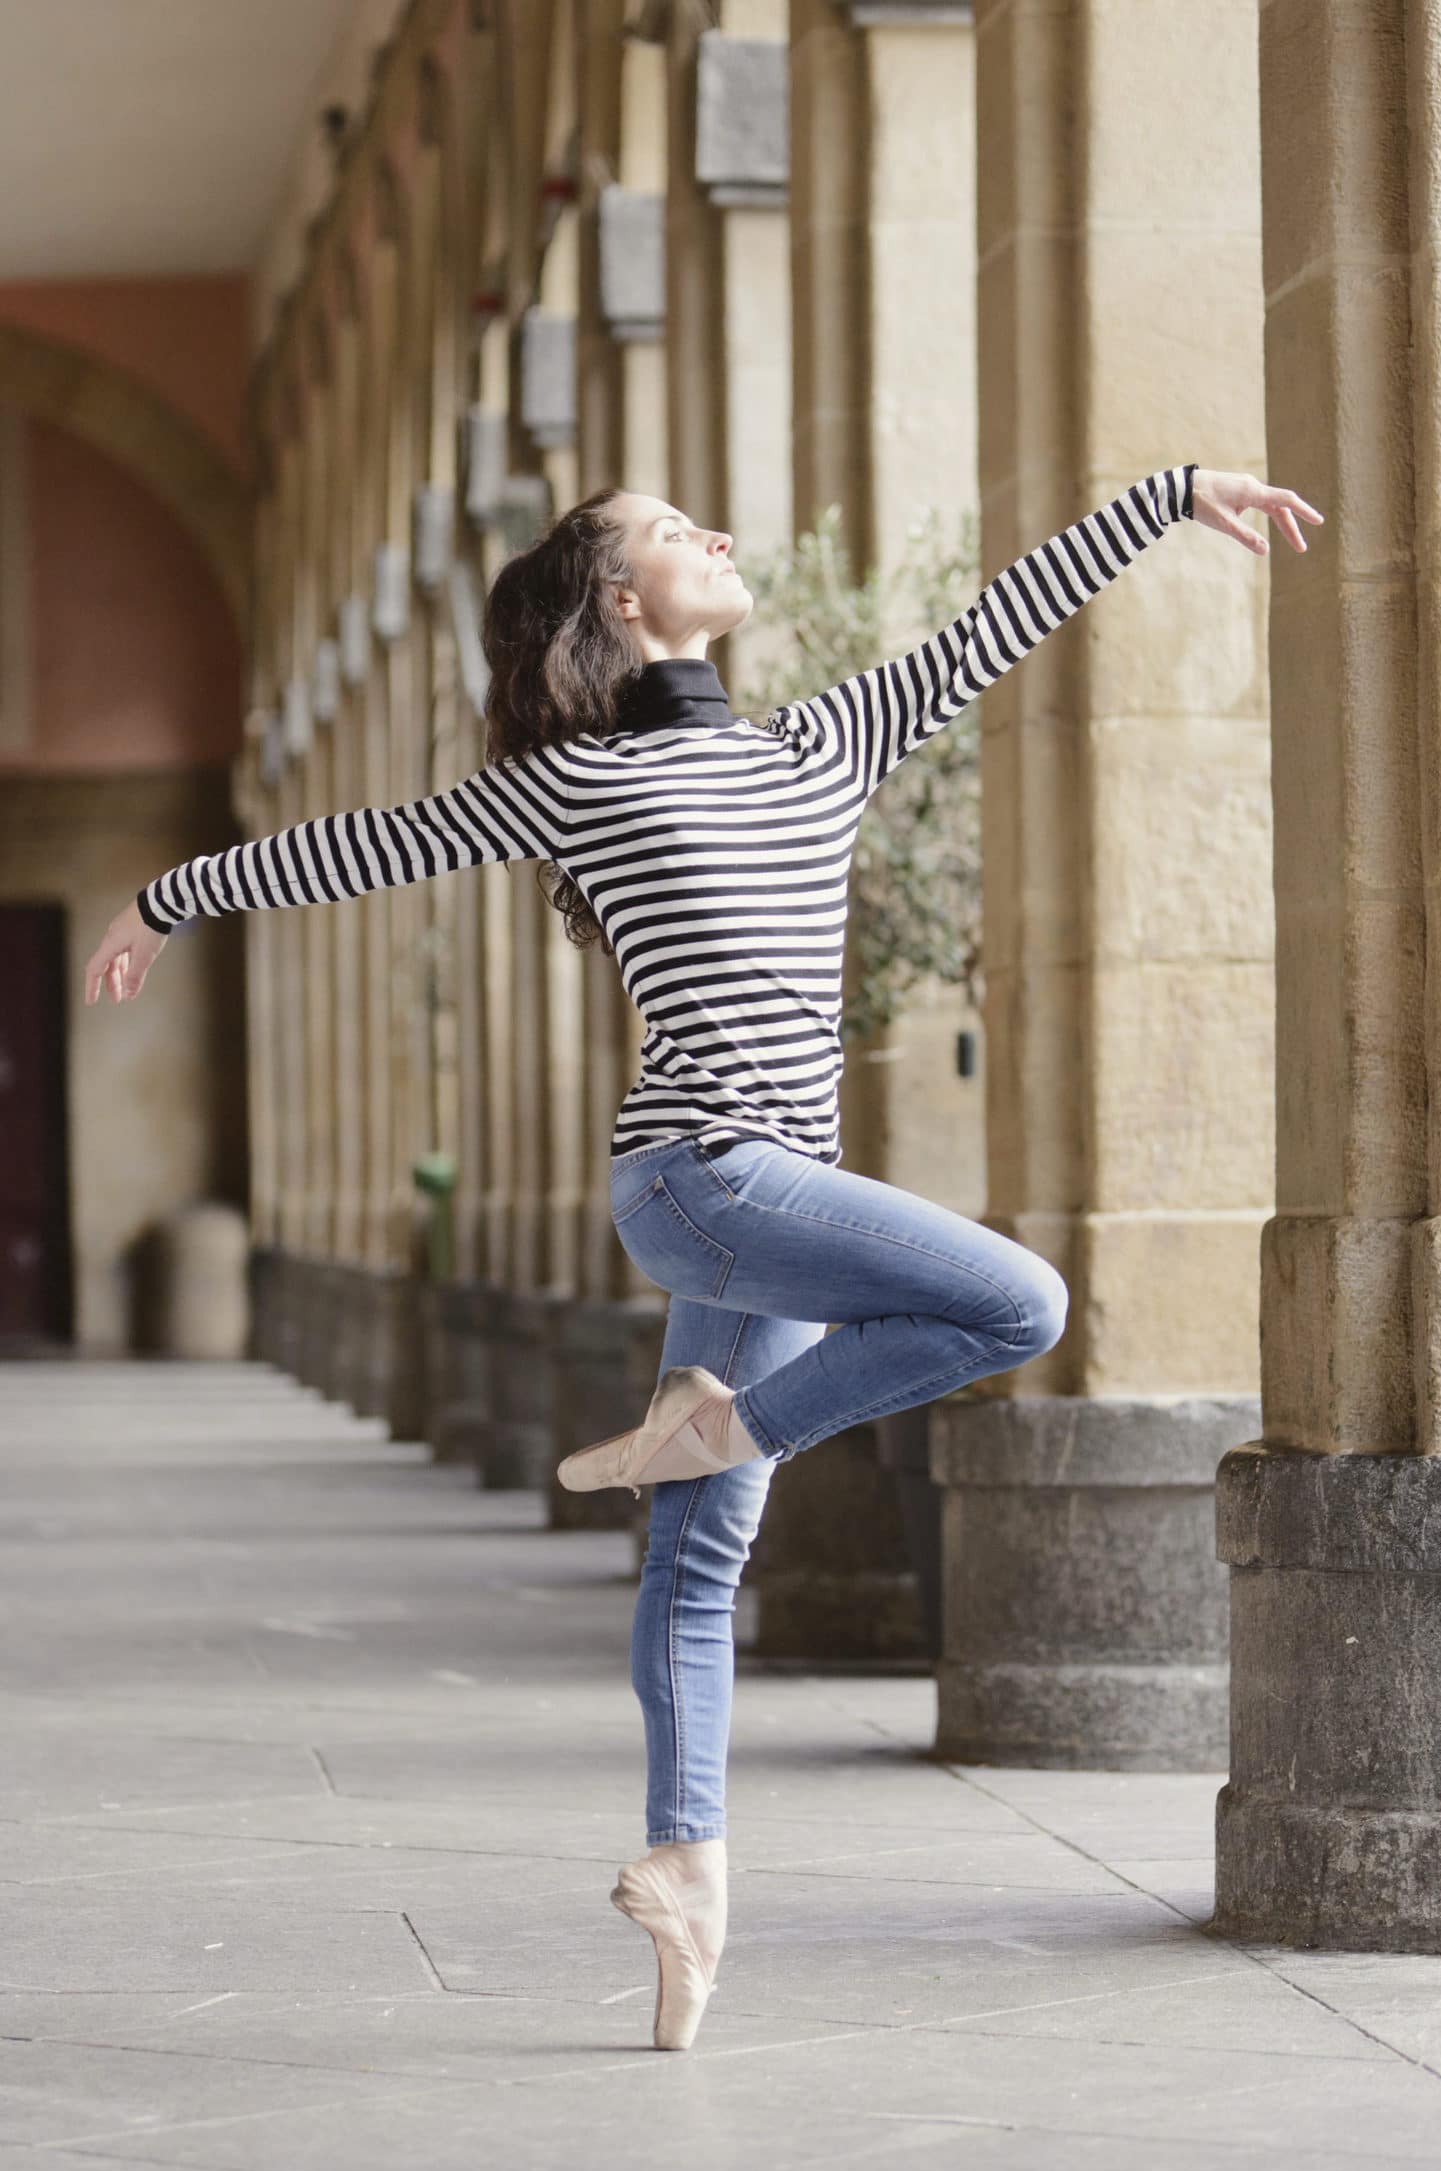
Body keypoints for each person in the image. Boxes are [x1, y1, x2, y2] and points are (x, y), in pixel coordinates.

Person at [86, 461, 1322, 2050]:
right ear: (619, 599)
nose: (715, 540)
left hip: (775, 1204)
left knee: (698, 1556)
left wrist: (1163, 500)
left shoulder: (825, 746)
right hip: (698, 1183)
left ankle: (684, 1874)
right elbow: (370, 846)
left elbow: (989, 627)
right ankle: (720, 1428)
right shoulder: (580, 779)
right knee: (1022, 1298)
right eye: (674, 534)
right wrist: (167, 898)